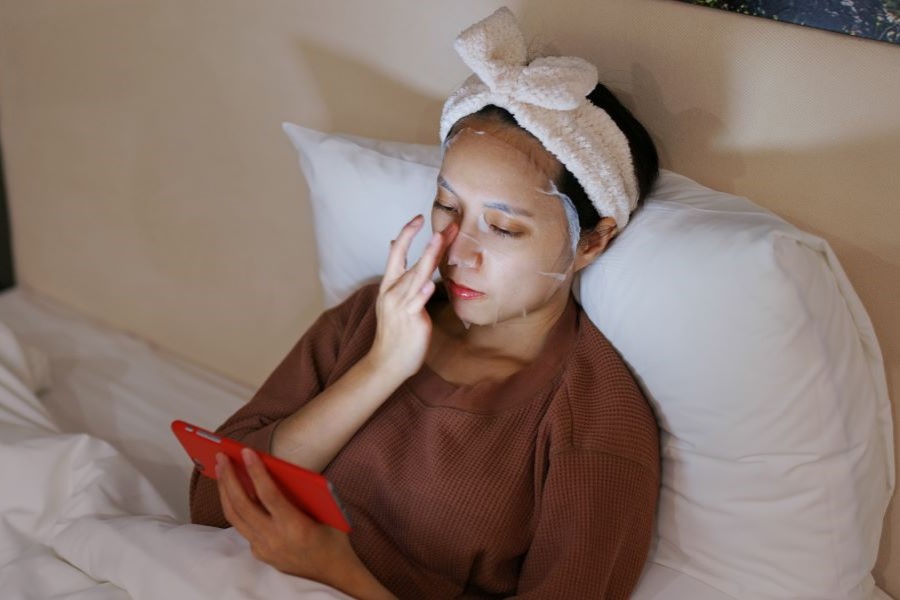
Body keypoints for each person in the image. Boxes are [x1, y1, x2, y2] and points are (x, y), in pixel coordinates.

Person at [190, 7, 660, 599]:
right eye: (447, 206)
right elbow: (211, 502)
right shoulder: (374, 317)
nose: (458, 250)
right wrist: (380, 367)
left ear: (593, 241)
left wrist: (342, 574)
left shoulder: (592, 422)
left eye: (503, 228)